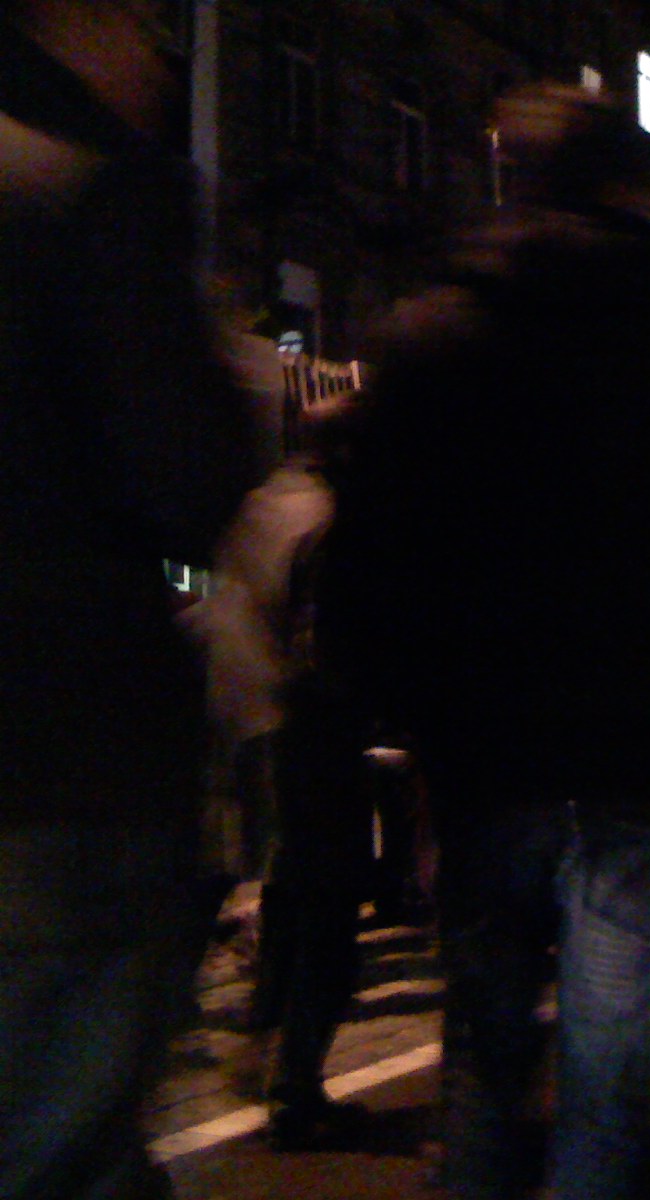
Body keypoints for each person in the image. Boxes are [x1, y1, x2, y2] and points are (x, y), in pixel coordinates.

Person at [317, 83, 650, 1200]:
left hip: (486, 746)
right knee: (615, 1041)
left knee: (486, 1031)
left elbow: (375, 546)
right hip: (645, 744)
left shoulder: (434, 335)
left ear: (508, 178)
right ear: (629, 192)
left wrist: (391, 707)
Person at [0, 3, 255, 1197]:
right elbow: (185, 471)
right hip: (65, 742)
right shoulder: (91, 188)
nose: (160, 57)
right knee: (66, 1119)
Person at [186, 406, 375, 1148]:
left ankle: (263, 1048)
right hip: (304, 726)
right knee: (324, 906)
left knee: (287, 891)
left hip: (245, 713)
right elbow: (322, 640)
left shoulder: (264, 504)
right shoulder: (331, 520)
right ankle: (294, 1085)